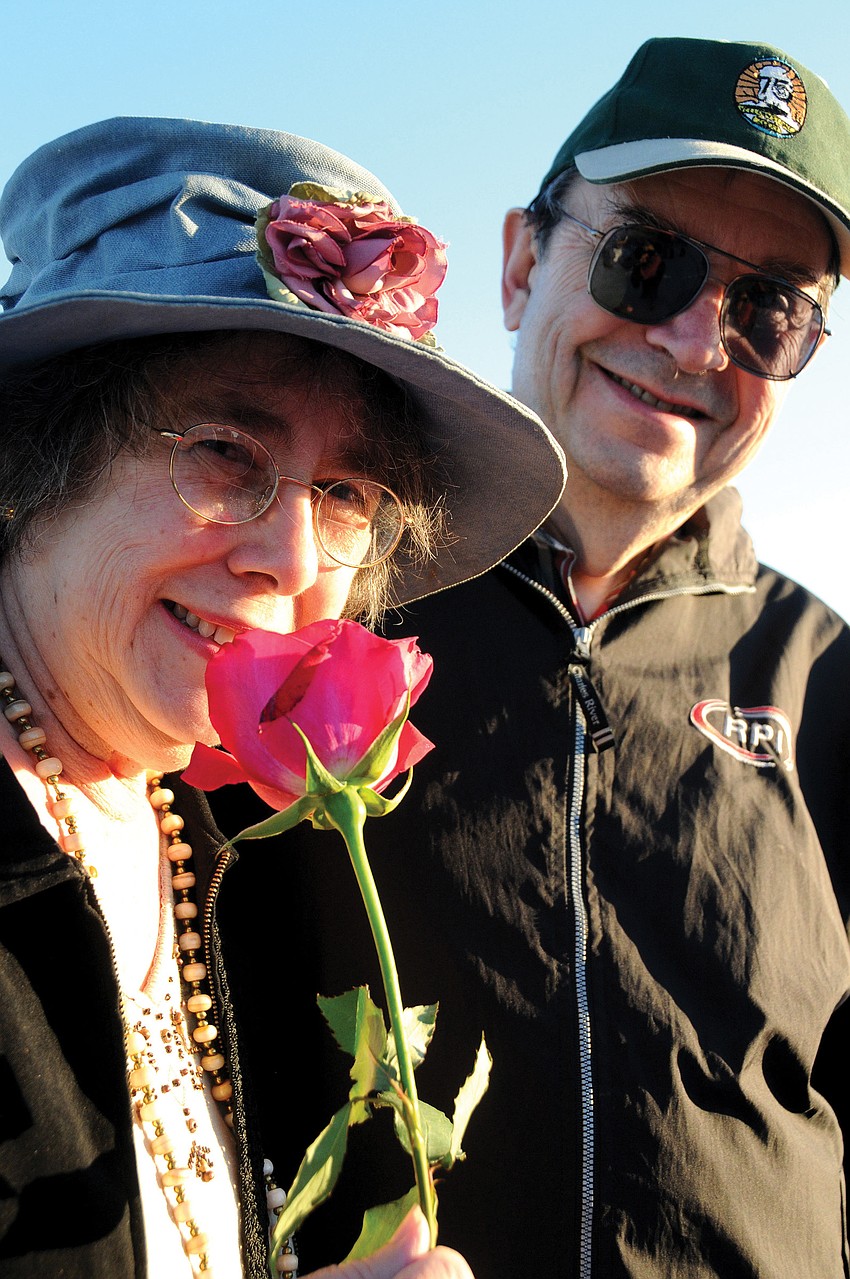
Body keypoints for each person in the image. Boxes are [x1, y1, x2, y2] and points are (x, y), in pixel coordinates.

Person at [246, 38, 850, 1278]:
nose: (695, 342)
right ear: (522, 263)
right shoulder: (309, 610)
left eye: (769, 310)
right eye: (646, 260)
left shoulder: (827, 677)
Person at [0, 115, 566, 1279]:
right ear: (34, 455)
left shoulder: (198, 835)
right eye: (224, 453)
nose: (295, 560)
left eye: (348, 492)